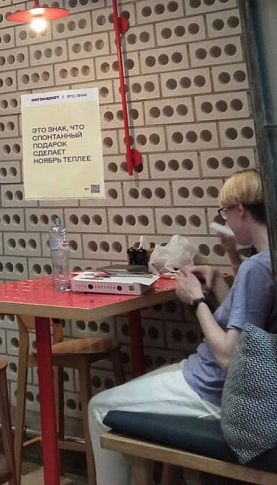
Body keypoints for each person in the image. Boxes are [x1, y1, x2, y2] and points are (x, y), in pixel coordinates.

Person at [89, 168, 277, 485]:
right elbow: (248, 325)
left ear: (240, 209)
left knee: (98, 407)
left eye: (224, 213)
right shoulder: (265, 261)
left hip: (211, 388)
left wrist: (197, 300)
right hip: (208, 376)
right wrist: (222, 273)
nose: (226, 220)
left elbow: (230, 357)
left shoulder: (257, 268)